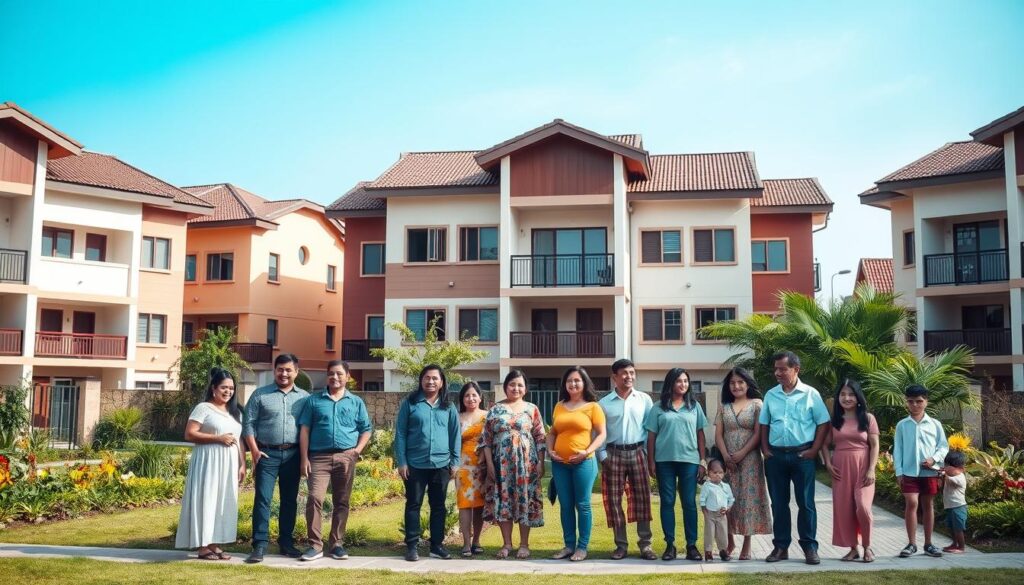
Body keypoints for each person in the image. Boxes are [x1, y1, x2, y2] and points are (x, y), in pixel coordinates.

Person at [758, 351, 830, 564]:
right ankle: (781, 547)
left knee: (806, 503)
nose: (777, 372)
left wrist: (814, 450)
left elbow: (823, 423)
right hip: (776, 456)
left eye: (782, 369)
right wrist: (765, 449)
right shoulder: (771, 394)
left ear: (796, 369)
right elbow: (764, 424)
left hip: (803, 455)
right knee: (779, 504)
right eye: (776, 369)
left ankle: (809, 547)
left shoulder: (810, 394)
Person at [297, 360, 372, 562]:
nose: (335, 377)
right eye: (331, 374)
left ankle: (336, 544)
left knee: (342, 501)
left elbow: (366, 429)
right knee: (314, 498)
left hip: (346, 457)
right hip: (318, 457)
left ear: (348, 376)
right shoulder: (314, 401)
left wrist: (357, 450)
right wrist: (304, 458)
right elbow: (304, 430)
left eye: (339, 374)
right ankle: (315, 545)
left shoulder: (356, 402)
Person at [243, 353, 309, 563]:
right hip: (266, 454)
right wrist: (253, 450)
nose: (284, 373)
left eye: (289, 369)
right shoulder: (260, 395)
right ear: (274, 370)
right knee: (263, 499)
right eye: (280, 369)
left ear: (296, 372)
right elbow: (248, 424)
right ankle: (259, 545)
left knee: (289, 500)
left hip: (293, 454)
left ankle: (286, 543)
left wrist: (305, 457)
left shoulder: (305, 398)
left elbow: (308, 428)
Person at [175, 367, 246, 559]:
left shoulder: (235, 412)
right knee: (207, 499)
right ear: (214, 388)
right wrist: (218, 438)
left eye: (231, 388)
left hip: (229, 464)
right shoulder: (203, 408)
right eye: (224, 387)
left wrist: (242, 464)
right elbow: (189, 434)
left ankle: (214, 544)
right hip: (208, 463)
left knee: (223, 502)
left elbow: (239, 439)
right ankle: (203, 546)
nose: (228, 392)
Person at [394, 364, 461, 562]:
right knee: (413, 504)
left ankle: (436, 546)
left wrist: (455, 461)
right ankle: (412, 545)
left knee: (438, 506)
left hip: (441, 464)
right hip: (415, 464)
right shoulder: (410, 403)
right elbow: (400, 433)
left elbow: (455, 435)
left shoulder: (448, 406)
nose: (430, 381)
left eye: (435, 378)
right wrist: (402, 461)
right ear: (421, 380)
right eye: (427, 378)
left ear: (441, 382)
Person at [482, 369, 546, 559]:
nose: (515, 388)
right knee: (504, 500)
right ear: (505, 387)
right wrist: (490, 466)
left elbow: (540, 436)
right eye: (512, 384)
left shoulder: (531, 408)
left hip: (527, 464)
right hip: (501, 464)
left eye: (520, 385)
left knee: (525, 499)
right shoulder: (494, 409)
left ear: (525, 388)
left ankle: (524, 545)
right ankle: (507, 544)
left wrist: (541, 462)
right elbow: (485, 439)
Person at [644, 367, 707, 561]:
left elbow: (700, 434)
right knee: (667, 502)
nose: (683, 384)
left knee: (689, 503)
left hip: (689, 461)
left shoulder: (694, 406)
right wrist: (651, 461)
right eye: (679, 381)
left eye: (686, 381)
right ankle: (670, 545)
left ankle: (691, 546)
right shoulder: (658, 407)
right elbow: (651, 436)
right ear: (670, 383)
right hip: (664, 462)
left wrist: (702, 460)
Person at [546, 366, 607, 562]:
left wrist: (587, 451)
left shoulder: (593, 407)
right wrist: (550, 450)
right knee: (565, 505)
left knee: (583, 504)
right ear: (565, 384)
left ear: (584, 383)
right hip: (560, 464)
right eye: (569, 380)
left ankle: (582, 547)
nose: (573, 384)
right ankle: (569, 545)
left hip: (584, 463)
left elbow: (602, 434)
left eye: (577, 380)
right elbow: (553, 433)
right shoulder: (559, 405)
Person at [597, 358, 656, 561]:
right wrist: (602, 455)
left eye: (631, 372)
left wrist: (649, 456)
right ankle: (620, 545)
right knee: (614, 500)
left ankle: (645, 545)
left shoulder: (644, 400)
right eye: (624, 373)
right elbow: (599, 433)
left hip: (638, 452)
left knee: (643, 498)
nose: (629, 376)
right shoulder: (603, 404)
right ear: (614, 377)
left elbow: (650, 430)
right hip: (612, 454)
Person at [714, 367, 771, 561]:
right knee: (726, 500)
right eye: (732, 383)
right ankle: (729, 542)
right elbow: (718, 435)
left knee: (748, 500)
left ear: (747, 384)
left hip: (750, 460)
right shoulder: (723, 407)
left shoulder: (757, 404)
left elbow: (758, 433)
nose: (736, 386)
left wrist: (741, 453)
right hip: (727, 461)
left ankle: (747, 543)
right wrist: (726, 456)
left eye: (740, 382)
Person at [821, 379, 879, 563]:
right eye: (843, 394)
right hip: (840, 469)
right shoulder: (835, 421)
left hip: (863, 467)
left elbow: (875, 445)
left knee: (863, 507)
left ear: (858, 397)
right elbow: (824, 445)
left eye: (851, 394)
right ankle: (853, 548)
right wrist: (828, 465)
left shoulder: (868, 418)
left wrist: (871, 468)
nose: (847, 398)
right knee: (844, 509)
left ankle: (867, 546)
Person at [893, 384, 949, 559]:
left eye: (919, 401)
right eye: (911, 401)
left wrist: (934, 459)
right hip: (909, 473)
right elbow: (898, 449)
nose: (915, 405)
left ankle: (928, 544)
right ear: (906, 402)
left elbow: (943, 446)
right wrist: (898, 472)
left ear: (926, 401)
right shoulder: (902, 425)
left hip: (929, 472)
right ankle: (911, 544)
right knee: (911, 503)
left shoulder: (935, 424)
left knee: (928, 505)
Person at [455, 381, 488, 558]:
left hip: (483, 466)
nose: (471, 398)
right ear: (462, 398)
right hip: (463, 467)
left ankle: (477, 541)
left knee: (480, 506)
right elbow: (452, 442)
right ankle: (466, 543)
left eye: (474, 395)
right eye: (467, 395)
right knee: (465, 505)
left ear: (480, 397)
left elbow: (491, 441)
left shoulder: (487, 416)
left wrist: (488, 464)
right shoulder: (457, 417)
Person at [699, 459, 735, 562]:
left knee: (722, 533)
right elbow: (702, 499)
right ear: (708, 473)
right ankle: (708, 552)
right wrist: (704, 509)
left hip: (721, 514)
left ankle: (723, 551)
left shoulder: (726, 487)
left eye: (720, 472)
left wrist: (728, 508)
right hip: (710, 513)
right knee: (709, 532)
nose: (717, 475)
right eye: (714, 472)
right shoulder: (707, 486)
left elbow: (731, 499)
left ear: (724, 473)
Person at [940, 450, 968, 554]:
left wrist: (944, 474)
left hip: (958, 506)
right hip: (949, 506)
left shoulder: (960, 477)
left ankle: (961, 547)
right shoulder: (949, 476)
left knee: (958, 528)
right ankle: (954, 543)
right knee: (951, 527)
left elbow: (951, 481)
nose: (946, 467)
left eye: (948, 465)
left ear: (959, 467)